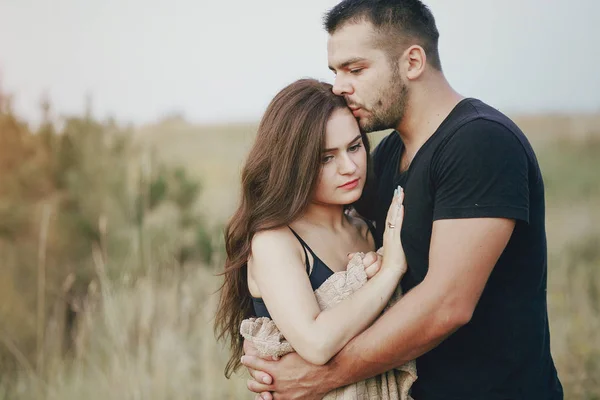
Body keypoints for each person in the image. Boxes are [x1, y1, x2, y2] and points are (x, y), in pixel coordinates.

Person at [241, 1, 564, 399]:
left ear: (412, 62)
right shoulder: (388, 155)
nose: (340, 86)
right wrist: (271, 337)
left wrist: (321, 375)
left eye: (355, 69)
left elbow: (447, 305)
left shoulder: (481, 143)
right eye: (335, 72)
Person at [213, 78, 413, 393]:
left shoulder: (366, 228)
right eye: (326, 158)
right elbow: (317, 343)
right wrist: (389, 270)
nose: (350, 167)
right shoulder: (275, 241)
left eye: (355, 146)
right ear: (293, 164)